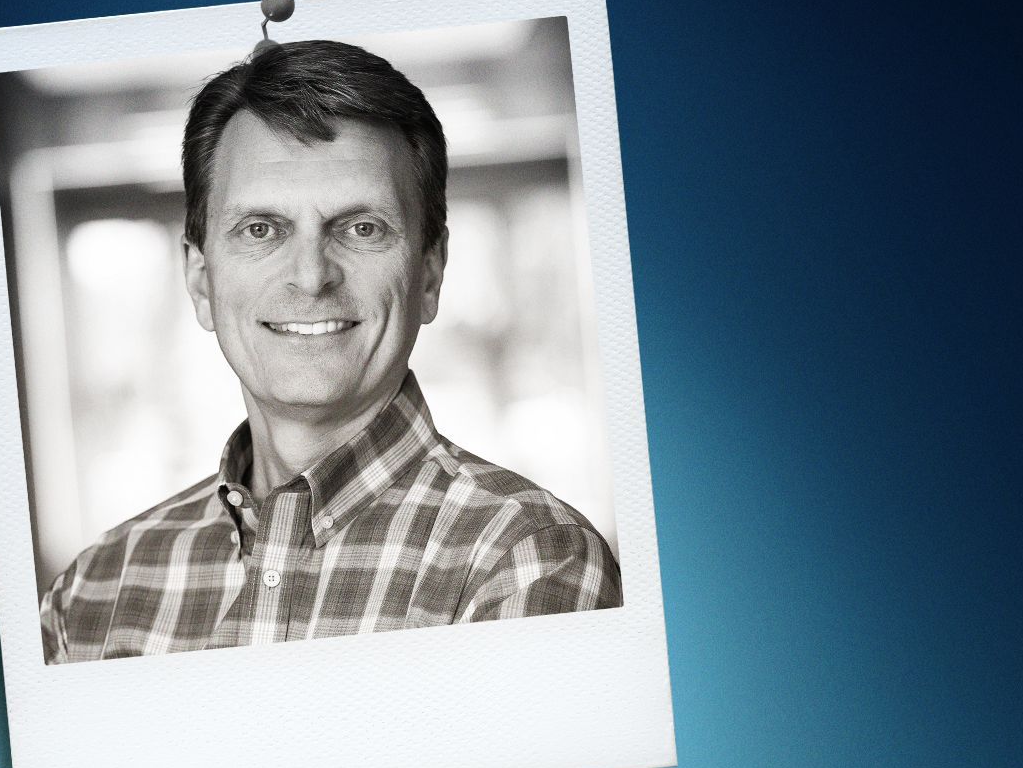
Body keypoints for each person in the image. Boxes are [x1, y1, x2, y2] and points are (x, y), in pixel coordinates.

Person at [40, 40, 621, 664]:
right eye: (260, 229)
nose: (311, 276)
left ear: (430, 273)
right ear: (202, 281)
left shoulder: (527, 559)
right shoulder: (90, 596)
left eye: (361, 228)